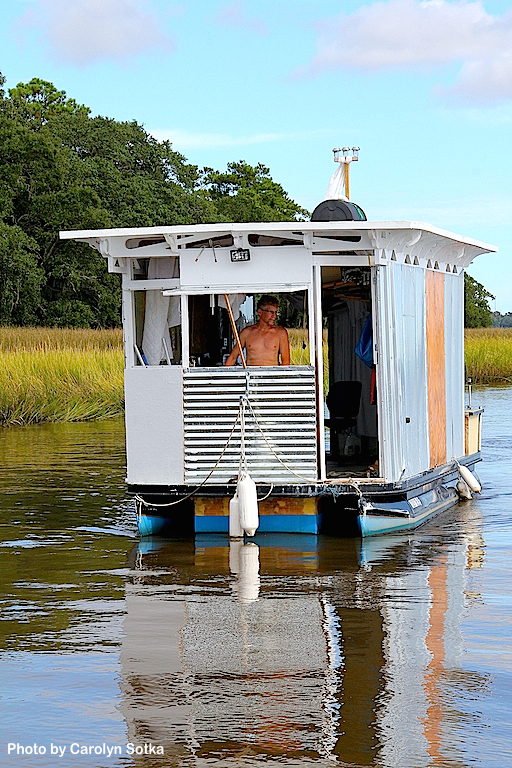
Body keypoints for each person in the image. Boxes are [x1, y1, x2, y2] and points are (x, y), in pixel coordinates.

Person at [224, 295, 290, 366]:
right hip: (251, 375)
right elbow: (233, 357)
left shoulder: (281, 333)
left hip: (272, 375)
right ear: (260, 312)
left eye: (275, 312)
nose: (274, 316)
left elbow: (286, 362)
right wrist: (223, 375)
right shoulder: (247, 332)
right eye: (271, 312)